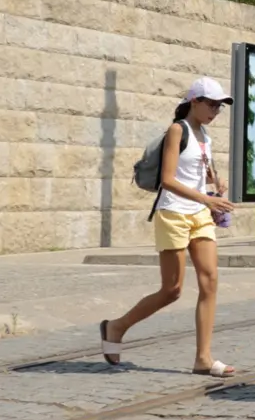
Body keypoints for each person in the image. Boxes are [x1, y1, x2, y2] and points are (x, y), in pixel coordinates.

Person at [99, 78, 238, 377]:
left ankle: (203, 358)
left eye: (219, 106)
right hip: (173, 213)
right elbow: (169, 179)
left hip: (199, 214)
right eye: (211, 104)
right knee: (172, 289)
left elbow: (198, 172)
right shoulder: (178, 130)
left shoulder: (205, 135)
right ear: (195, 102)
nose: (215, 110)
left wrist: (216, 183)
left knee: (210, 281)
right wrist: (205, 198)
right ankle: (116, 326)